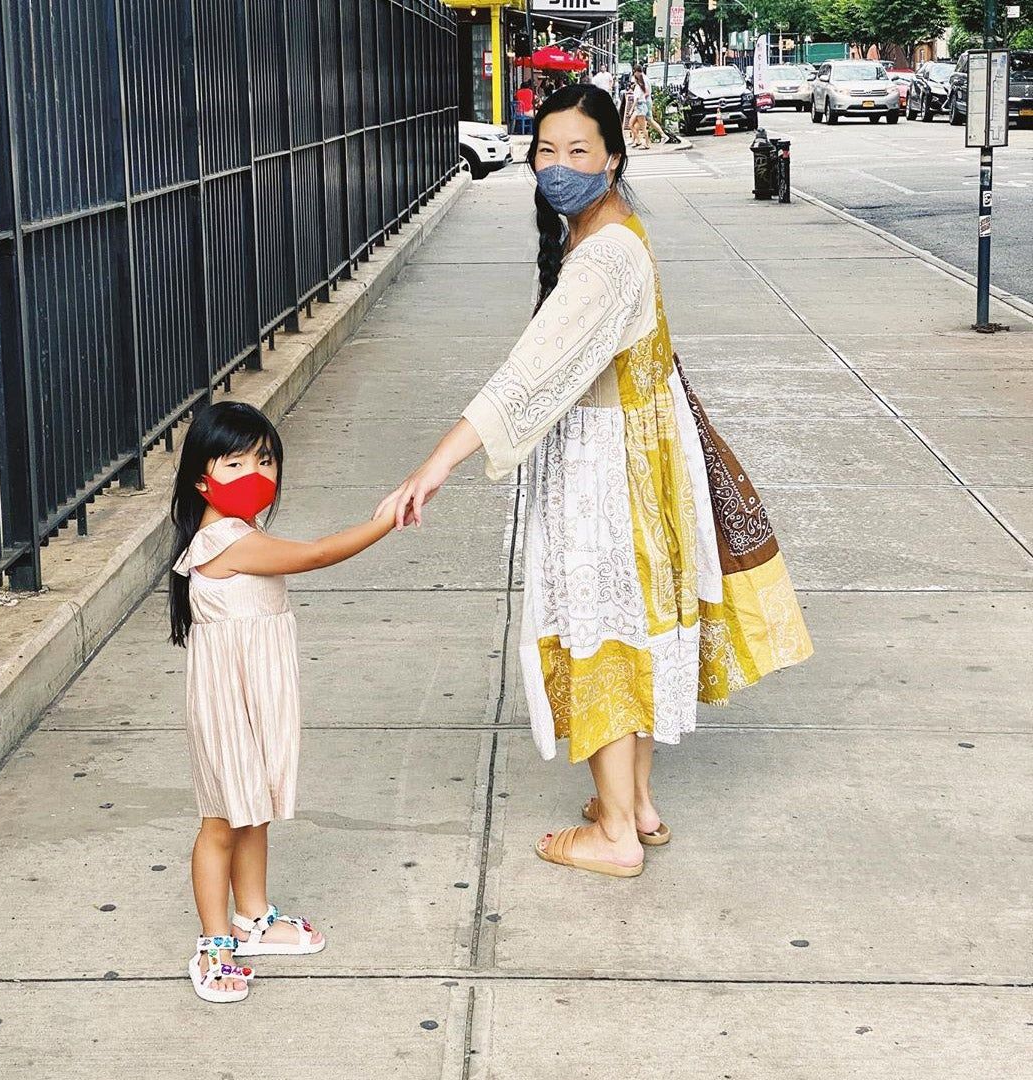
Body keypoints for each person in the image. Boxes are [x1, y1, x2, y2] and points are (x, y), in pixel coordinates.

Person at [376, 86, 813, 880]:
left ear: (613, 156)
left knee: (599, 628)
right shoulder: (612, 231)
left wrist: (433, 465)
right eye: (546, 151)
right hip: (643, 462)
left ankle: (612, 833)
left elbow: (527, 377)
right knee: (632, 623)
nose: (558, 167)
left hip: (605, 475)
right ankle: (636, 804)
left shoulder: (603, 260)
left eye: (579, 151)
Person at [169, 401, 395, 1002]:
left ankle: (254, 916)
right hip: (228, 702)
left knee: (255, 804)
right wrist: (386, 520)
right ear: (201, 478)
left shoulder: (242, 534)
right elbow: (319, 553)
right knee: (221, 817)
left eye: (265, 460)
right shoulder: (225, 541)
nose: (256, 474)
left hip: (256, 694)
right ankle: (216, 943)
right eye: (236, 462)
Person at [629, 64, 652, 148]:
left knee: (643, 127)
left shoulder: (639, 86)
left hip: (640, 107)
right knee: (631, 124)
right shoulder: (638, 86)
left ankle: (647, 143)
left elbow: (636, 99)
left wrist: (631, 109)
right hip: (639, 107)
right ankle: (638, 140)